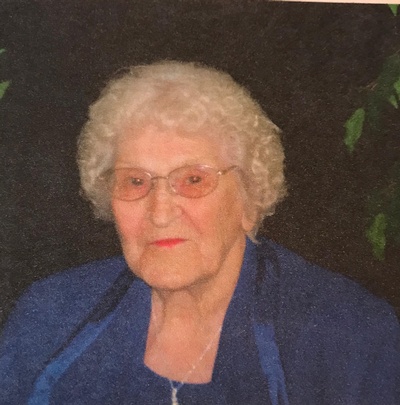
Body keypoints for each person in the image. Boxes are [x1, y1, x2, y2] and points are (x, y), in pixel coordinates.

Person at [0, 61, 399, 405]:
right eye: (135, 181)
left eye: (193, 179)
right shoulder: (50, 315)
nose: (160, 213)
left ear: (249, 198)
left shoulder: (351, 335)